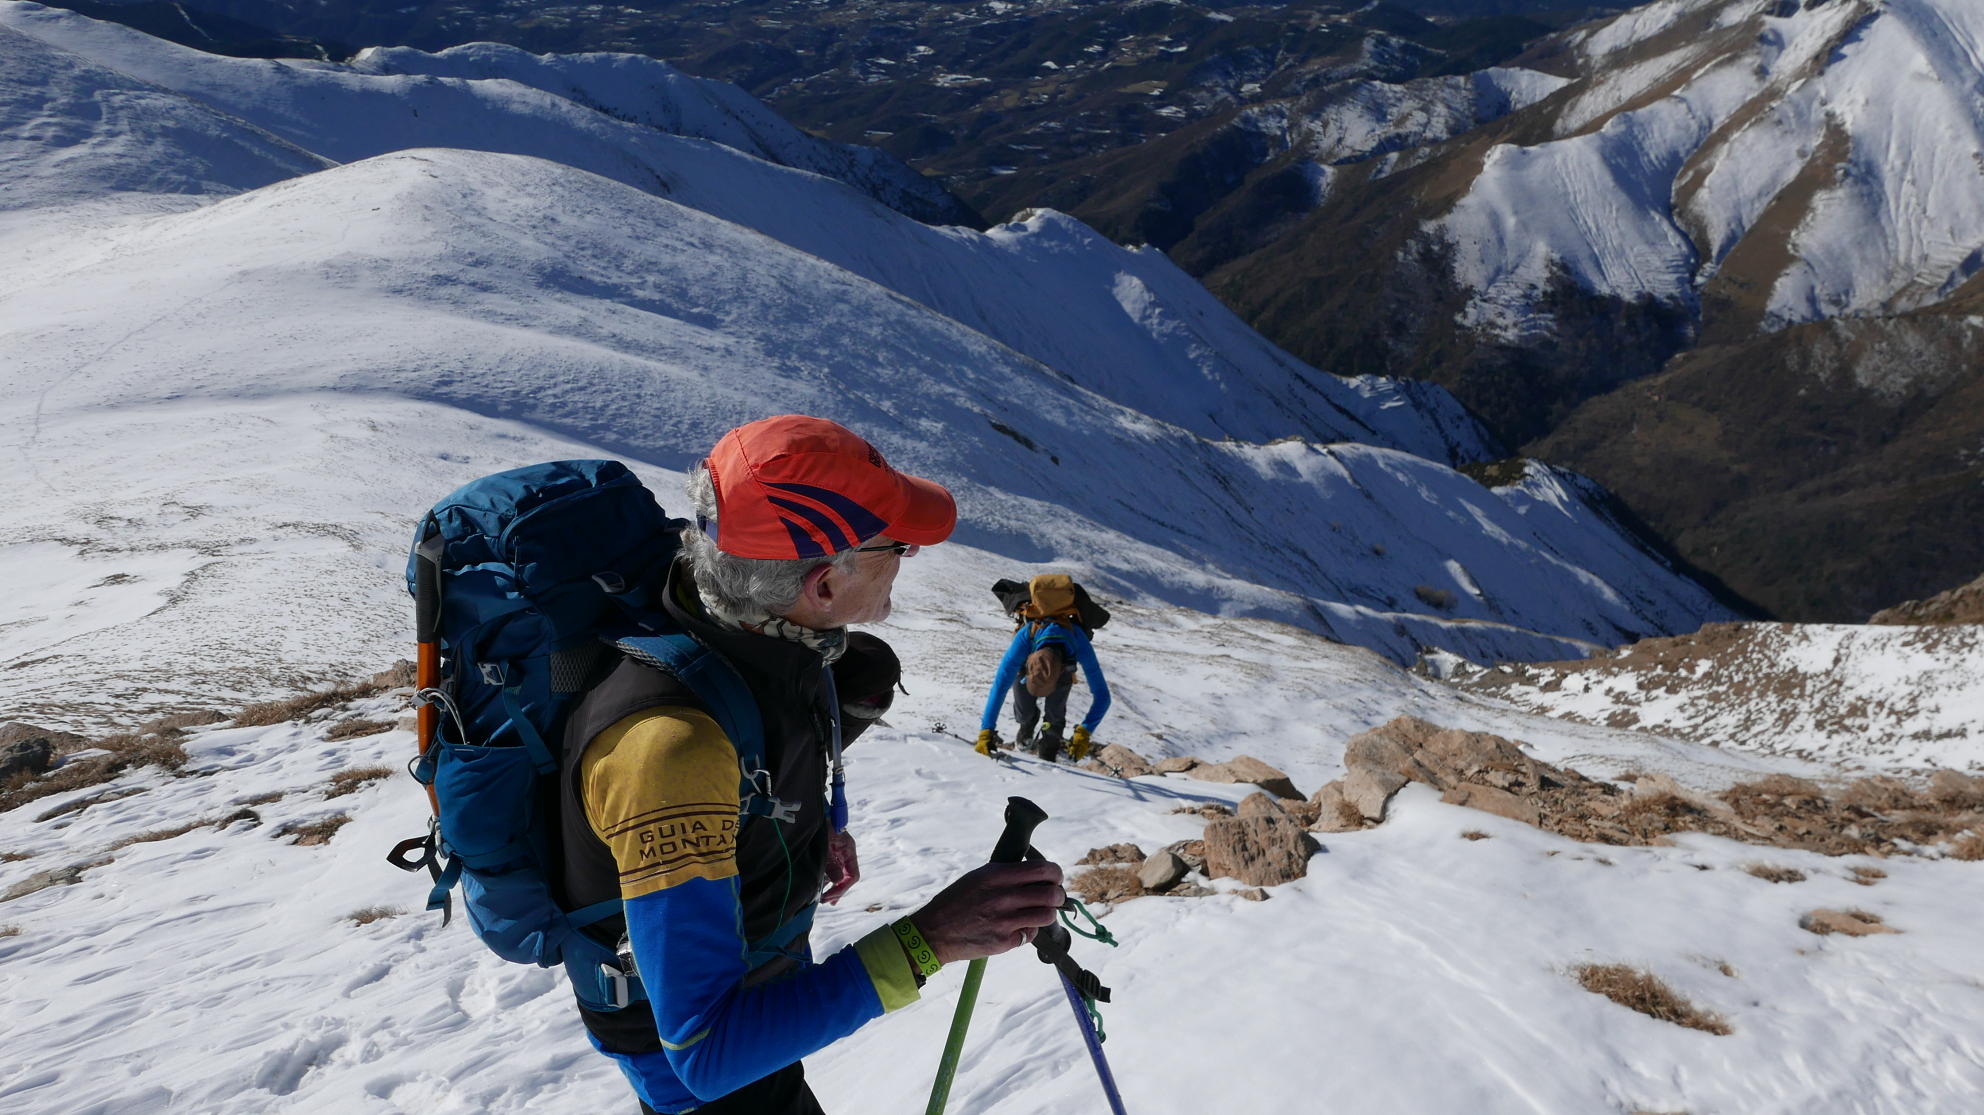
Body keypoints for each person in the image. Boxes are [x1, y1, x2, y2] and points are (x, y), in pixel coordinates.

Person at [557, 415, 1066, 1114]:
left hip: (763, 993)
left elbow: (753, 756)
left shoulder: (755, 629)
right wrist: (932, 938)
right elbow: (707, 1054)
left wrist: (792, 832)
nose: (909, 556)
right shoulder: (671, 751)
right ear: (823, 585)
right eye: (897, 546)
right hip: (708, 1080)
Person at [974, 574, 1111, 762]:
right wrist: (986, 730)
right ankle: (1028, 723)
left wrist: (1084, 732)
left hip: (1062, 670)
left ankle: (1048, 751)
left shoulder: (1076, 639)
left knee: (1054, 719)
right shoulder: (1026, 637)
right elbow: (1000, 684)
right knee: (1026, 713)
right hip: (1030, 667)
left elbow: (1103, 697)